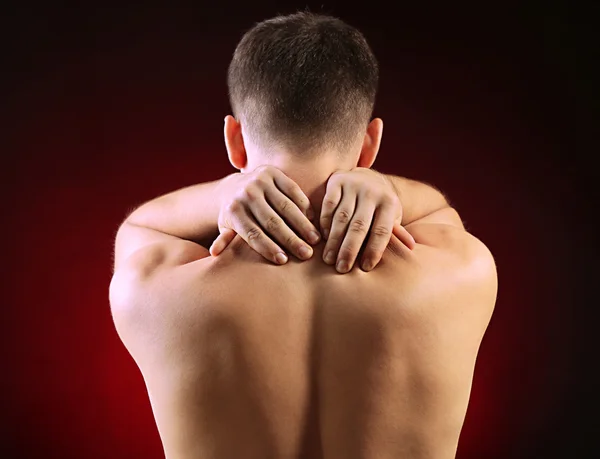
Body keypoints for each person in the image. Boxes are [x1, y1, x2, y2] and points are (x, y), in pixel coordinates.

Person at [109, 11, 498, 459]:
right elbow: (440, 210)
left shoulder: (158, 287)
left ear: (233, 139)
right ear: (371, 143)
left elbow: (139, 226)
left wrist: (224, 192)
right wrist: (389, 188)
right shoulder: (461, 271)